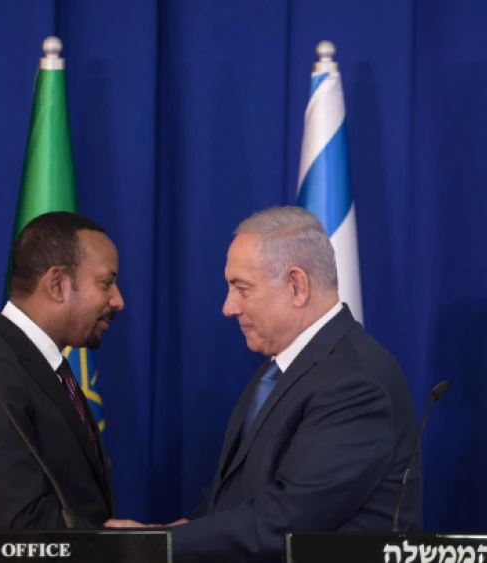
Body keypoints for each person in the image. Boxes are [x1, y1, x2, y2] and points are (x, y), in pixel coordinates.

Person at [107, 206, 422, 562]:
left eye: (241, 288)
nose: (229, 307)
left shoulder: (355, 383)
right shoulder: (280, 368)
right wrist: (170, 533)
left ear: (297, 286)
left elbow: (287, 521)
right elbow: (234, 501)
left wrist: (158, 544)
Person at [0, 211, 124, 529]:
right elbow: (19, 530)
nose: (118, 300)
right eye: (107, 283)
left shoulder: (45, 368)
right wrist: (116, 544)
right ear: (57, 284)